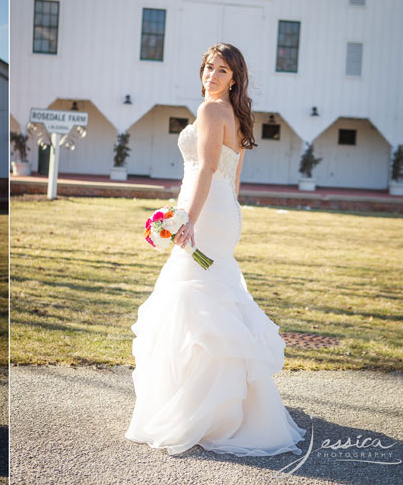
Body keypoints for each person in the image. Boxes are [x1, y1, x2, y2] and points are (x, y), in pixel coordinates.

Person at [125, 43, 306, 456]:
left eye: (222, 70)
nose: (212, 75)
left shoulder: (210, 112)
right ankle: (223, 400)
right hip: (223, 211)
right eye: (208, 67)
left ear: (235, 78)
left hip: (206, 211)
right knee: (211, 293)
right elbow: (231, 180)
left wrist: (186, 218)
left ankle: (200, 408)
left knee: (193, 297)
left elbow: (205, 168)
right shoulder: (237, 118)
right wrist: (204, 215)